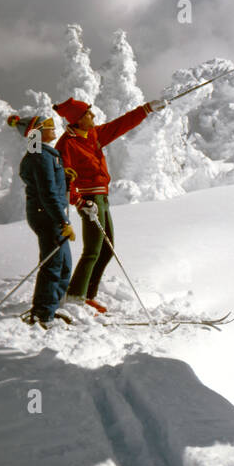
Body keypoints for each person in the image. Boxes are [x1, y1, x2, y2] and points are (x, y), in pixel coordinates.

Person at [54, 95, 166, 313]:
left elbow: (120, 125)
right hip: (89, 200)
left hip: (102, 198)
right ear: (78, 119)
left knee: (106, 248)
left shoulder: (92, 134)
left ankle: (87, 295)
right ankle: (75, 297)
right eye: (88, 113)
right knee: (92, 250)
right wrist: (79, 202)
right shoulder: (66, 144)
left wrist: (147, 109)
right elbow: (62, 179)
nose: (93, 115)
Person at [6, 114, 76, 329]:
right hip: (47, 216)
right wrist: (63, 222)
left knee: (63, 264)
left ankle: (49, 309)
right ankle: (43, 314)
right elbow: (47, 193)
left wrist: (64, 178)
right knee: (54, 264)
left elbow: (49, 185)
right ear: (35, 132)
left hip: (48, 214)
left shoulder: (43, 154)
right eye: (48, 125)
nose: (53, 127)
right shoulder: (40, 156)